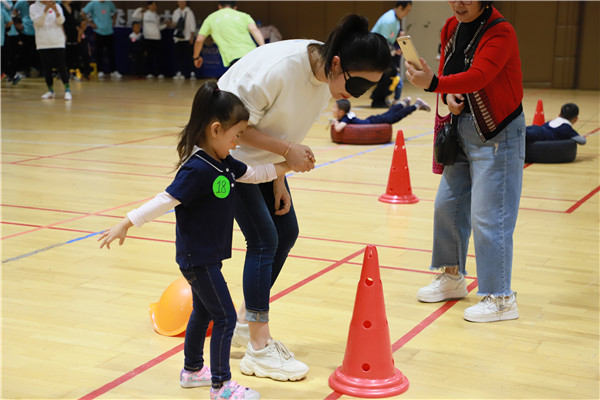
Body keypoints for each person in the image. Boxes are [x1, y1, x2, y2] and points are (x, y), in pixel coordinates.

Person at [217, 14, 391, 380]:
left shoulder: (325, 77)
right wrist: (286, 153)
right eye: (357, 84)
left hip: (262, 161)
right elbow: (233, 128)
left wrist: (280, 175)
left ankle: (245, 322)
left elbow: (284, 127)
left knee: (286, 232)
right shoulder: (279, 69)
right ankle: (259, 348)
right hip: (223, 154)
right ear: (337, 63)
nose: (355, 95)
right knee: (263, 240)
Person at [98, 81, 292, 400]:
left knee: (202, 311)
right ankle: (221, 386)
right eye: (236, 135)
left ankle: (192, 371)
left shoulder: (223, 162)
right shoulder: (197, 169)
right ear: (216, 130)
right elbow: (164, 200)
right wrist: (126, 222)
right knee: (225, 317)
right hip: (197, 259)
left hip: (207, 256)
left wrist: (287, 165)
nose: (237, 142)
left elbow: (254, 174)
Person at [404, 1, 525, 322]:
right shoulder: (450, 27)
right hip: (461, 130)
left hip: (498, 134)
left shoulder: (501, 32)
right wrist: (446, 93)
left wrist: (434, 84)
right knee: (447, 206)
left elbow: (478, 77)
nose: (458, 3)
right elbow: (452, 72)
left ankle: (501, 297)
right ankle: (452, 276)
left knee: (490, 216)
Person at [193, 1, 264, 71]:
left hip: (235, 58)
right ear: (235, 7)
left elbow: (199, 40)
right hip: (253, 55)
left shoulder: (211, 18)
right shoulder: (244, 16)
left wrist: (196, 58)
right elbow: (255, 30)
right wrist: (264, 49)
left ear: (219, 6)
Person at [370, 1, 413, 108]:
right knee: (388, 72)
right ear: (400, 7)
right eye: (406, 11)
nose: (407, 14)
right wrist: (395, 50)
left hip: (382, 51)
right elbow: (382, 41)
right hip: (374, 51)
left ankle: (377, 96)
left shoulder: (395, 19)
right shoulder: (389, 20)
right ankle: (377, 100)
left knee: (391, 72)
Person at [30, 0, 72, 100]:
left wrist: (56, 11)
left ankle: (67, 90)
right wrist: (46, 10)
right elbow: (39, 22)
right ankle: (50, 91)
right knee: (47, 68)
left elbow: (61, 21)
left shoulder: (57, 5)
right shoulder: (33, 7)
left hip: (58, 41)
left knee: (62, 66)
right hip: (43, 42)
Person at [330, 97, 430, 132]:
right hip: (372, 120)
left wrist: (335, 122)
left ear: (341, 112)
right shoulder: (346, 116)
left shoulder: (345, 119)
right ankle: (404, 103)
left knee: (395, 116)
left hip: (373, 122)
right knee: (390, 113)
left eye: (334, 107)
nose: (332, 109)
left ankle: (416, 105)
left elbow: (338, 129)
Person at [82, 0, 122, 79]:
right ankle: (100, 71)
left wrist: (114, 21)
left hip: (109, 31)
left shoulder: (110, 3)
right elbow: (83, 12)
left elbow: (115, 12)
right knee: (99, 52)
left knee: (111, 52)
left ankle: (114, 71)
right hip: (98, 31)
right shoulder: (93, 3)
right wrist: (90, 23)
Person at [132, 1, 166, 79]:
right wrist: (141, 9)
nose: (153, 6)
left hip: (156, 37)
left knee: (157, 56)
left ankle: (158, 72)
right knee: (148, 56)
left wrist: (165, 25)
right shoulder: (144, 14)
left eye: (155, 5)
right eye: (151, 5)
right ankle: (149, 72)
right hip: (147, 37)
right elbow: (134, 15)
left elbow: (158, 27)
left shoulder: (157, 16)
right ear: (148, 6)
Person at [171, 1, 196, 80]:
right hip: (178, 38)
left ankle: (191, 73)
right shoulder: (176, 12)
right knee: (178, 57)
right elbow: (174, 24)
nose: (181, 3)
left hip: (187, 38)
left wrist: (192, 37)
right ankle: (179, 72)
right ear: (177, 3)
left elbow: (192, 25)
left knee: (188, 56)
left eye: (183, 2)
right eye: (180, 2)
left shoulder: (189, 12)